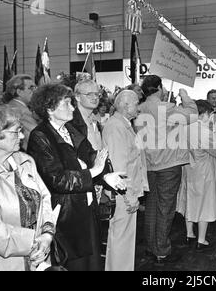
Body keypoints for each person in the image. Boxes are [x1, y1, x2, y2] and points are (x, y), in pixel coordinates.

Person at [27, 83, 125, 271]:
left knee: (93, 263)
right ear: (50, 108)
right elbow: (57, 179)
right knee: (75, 265)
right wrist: (95, 172)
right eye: (66, 104)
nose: (72, 108)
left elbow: (91, 157)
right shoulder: (40, 136)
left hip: (86, 208)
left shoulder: (72, 129)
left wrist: (106, 177)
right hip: (65, 216)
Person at [0, 105, 55, 271]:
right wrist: (34, 242)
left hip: (36, 258)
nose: (22, 135)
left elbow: (45, 198)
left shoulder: (25, 161)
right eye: (16, 131)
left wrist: (47, 235)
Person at [136, 74, 198, 264]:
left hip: (149, 165)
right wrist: (185, 96)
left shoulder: (139, 108)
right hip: (168, 165)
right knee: (165, 208)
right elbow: (192, 114)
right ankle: (162, 250)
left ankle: (151, 246)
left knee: (152, 207)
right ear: (160, 87)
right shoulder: (165, 108)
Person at [102, 90, 149, 271]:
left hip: (128, 191)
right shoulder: (116, 127)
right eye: (137, 103)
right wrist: (129, 196)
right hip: (123, 194)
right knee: (121, 239)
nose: (139, 107)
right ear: (125, 105)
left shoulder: (124, 125)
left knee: (125, 239)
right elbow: (118, 167)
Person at [176, 100, 216, 251]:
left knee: (190, 200)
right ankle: (201, 240)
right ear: (204, 114)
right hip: (204, 171)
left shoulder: (183, 129)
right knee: (205, 204)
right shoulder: (205, 132)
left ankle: (189, 234)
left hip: (188, 169)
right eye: (210, 114)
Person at [4, 74, 38, 151]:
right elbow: (37, 136)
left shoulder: (12, 106)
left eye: (35, 87)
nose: (35, 91)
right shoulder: (20, 110)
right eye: (31, 88)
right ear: (19, 92)